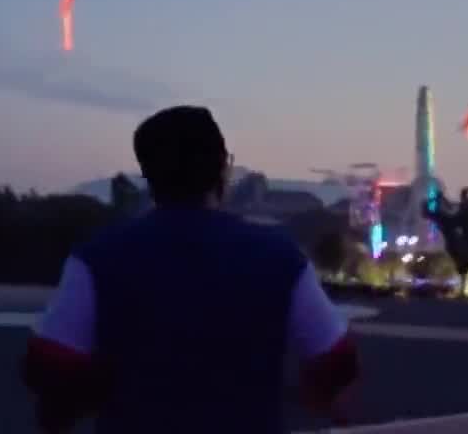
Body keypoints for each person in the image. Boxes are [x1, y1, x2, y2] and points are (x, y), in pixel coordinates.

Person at [23, 105, 359, 433]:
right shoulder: (281, 257)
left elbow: (48, 366)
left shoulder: (97, 257)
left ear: (148, 175)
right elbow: (337, 360)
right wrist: (312, 397)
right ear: (223, 169)